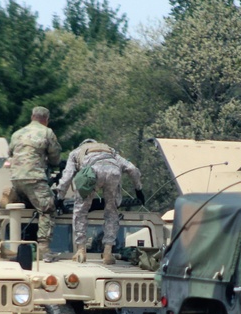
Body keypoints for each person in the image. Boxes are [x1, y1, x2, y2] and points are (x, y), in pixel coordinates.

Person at [55, 139, 144, 265]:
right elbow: (132, 169)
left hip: (92, 173)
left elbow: (67, 176)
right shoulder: (111, 151)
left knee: (80, 211)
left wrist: (59, 197)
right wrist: (139, 190)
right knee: (112, 212)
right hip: (114, 171)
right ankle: (108, 252)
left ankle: (81, 251)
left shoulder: (76, 153)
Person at [8, 106, 61, 260]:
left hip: (16, 179)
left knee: (19, 212)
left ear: (32, 117)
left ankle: (12, 245)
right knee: (48, 208)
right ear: (46, 120)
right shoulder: (47, 132)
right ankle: (43, 248)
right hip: (34, 178)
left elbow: (10, 153)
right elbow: (55, 158)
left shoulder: (17, 133)